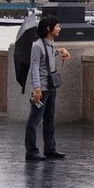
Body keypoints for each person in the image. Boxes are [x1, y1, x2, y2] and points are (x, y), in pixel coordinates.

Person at [25, 16, 70, 161]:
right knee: (34, 120)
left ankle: (50, 149)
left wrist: (60, 51)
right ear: (48, 29)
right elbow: (34, 68)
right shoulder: (37, 46)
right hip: (41, 89)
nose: (59, 29)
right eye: (57, 26)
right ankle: (31, 151)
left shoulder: (50, 43)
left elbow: (48, 57)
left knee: (49, 118)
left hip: (51, 87)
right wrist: (37, 87)